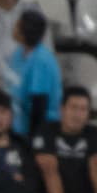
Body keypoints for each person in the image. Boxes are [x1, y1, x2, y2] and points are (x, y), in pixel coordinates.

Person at [8, 9, 62, 138]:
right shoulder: (19, 52)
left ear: (25, 32)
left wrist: (33, 140)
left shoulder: (41, 60)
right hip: (16, 123)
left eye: (17, 25)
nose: (14, 27)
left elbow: (39, 106)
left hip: (37, 129)